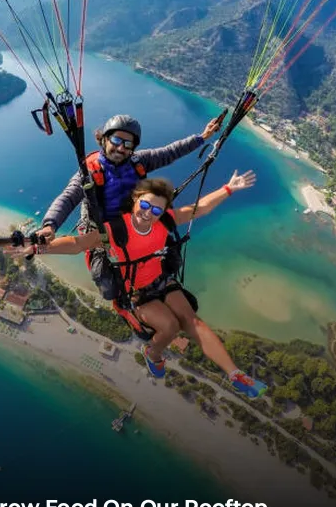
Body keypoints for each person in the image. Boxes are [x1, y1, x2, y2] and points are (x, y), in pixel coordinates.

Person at [22, 170, 267, 399]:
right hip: (136, 293)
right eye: (145, 205)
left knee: (192, 320)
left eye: (156, 210)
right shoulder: (116, 229)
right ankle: (152, 354)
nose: (148, 213)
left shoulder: (164, 222)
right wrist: (39, 247)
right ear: (135, 200)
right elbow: (76, 244)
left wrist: (229, 188)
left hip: (162, 280)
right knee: (170, 326)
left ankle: (236, 375)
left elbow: (200, 208)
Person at [36, 113, 223, 297]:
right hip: (104, 230)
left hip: (135, 223)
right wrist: (50, 225)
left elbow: (170, 152)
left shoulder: (138, 161)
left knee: (171, 259)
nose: (120, 148)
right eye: (116, 140)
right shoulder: (89, 172)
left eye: (127, 144)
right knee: (109, 286)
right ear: (104, 139)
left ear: (133, 147)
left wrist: (202, 137)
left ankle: (155, 284)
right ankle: (128, 298)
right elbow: (68, 198)